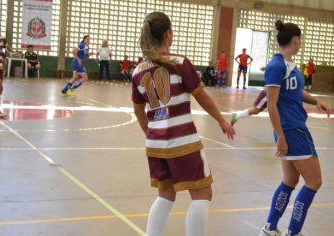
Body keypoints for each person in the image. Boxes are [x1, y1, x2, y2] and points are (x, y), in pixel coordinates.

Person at [132, 12, 235, 236]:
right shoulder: (179, 63)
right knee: (202, 194)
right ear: (168, 34)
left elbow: (138, 111)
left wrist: (150, 134)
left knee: (165, 194)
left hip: (155, 145)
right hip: (183, 141)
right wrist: (221, 120)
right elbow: (203, 97)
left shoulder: (138, 72)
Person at [259, 20, 330, 236]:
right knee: (314, 181)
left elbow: (295, 92)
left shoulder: (288, 65)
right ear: (296, 40)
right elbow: (271, 104)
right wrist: (280, 136)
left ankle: (270, 228)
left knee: (290, 181)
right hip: (292, 130)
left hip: (292, 129)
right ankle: (293, 232)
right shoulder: (277, 66)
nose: (300, 44)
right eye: (300, 41)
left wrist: (314, 100)